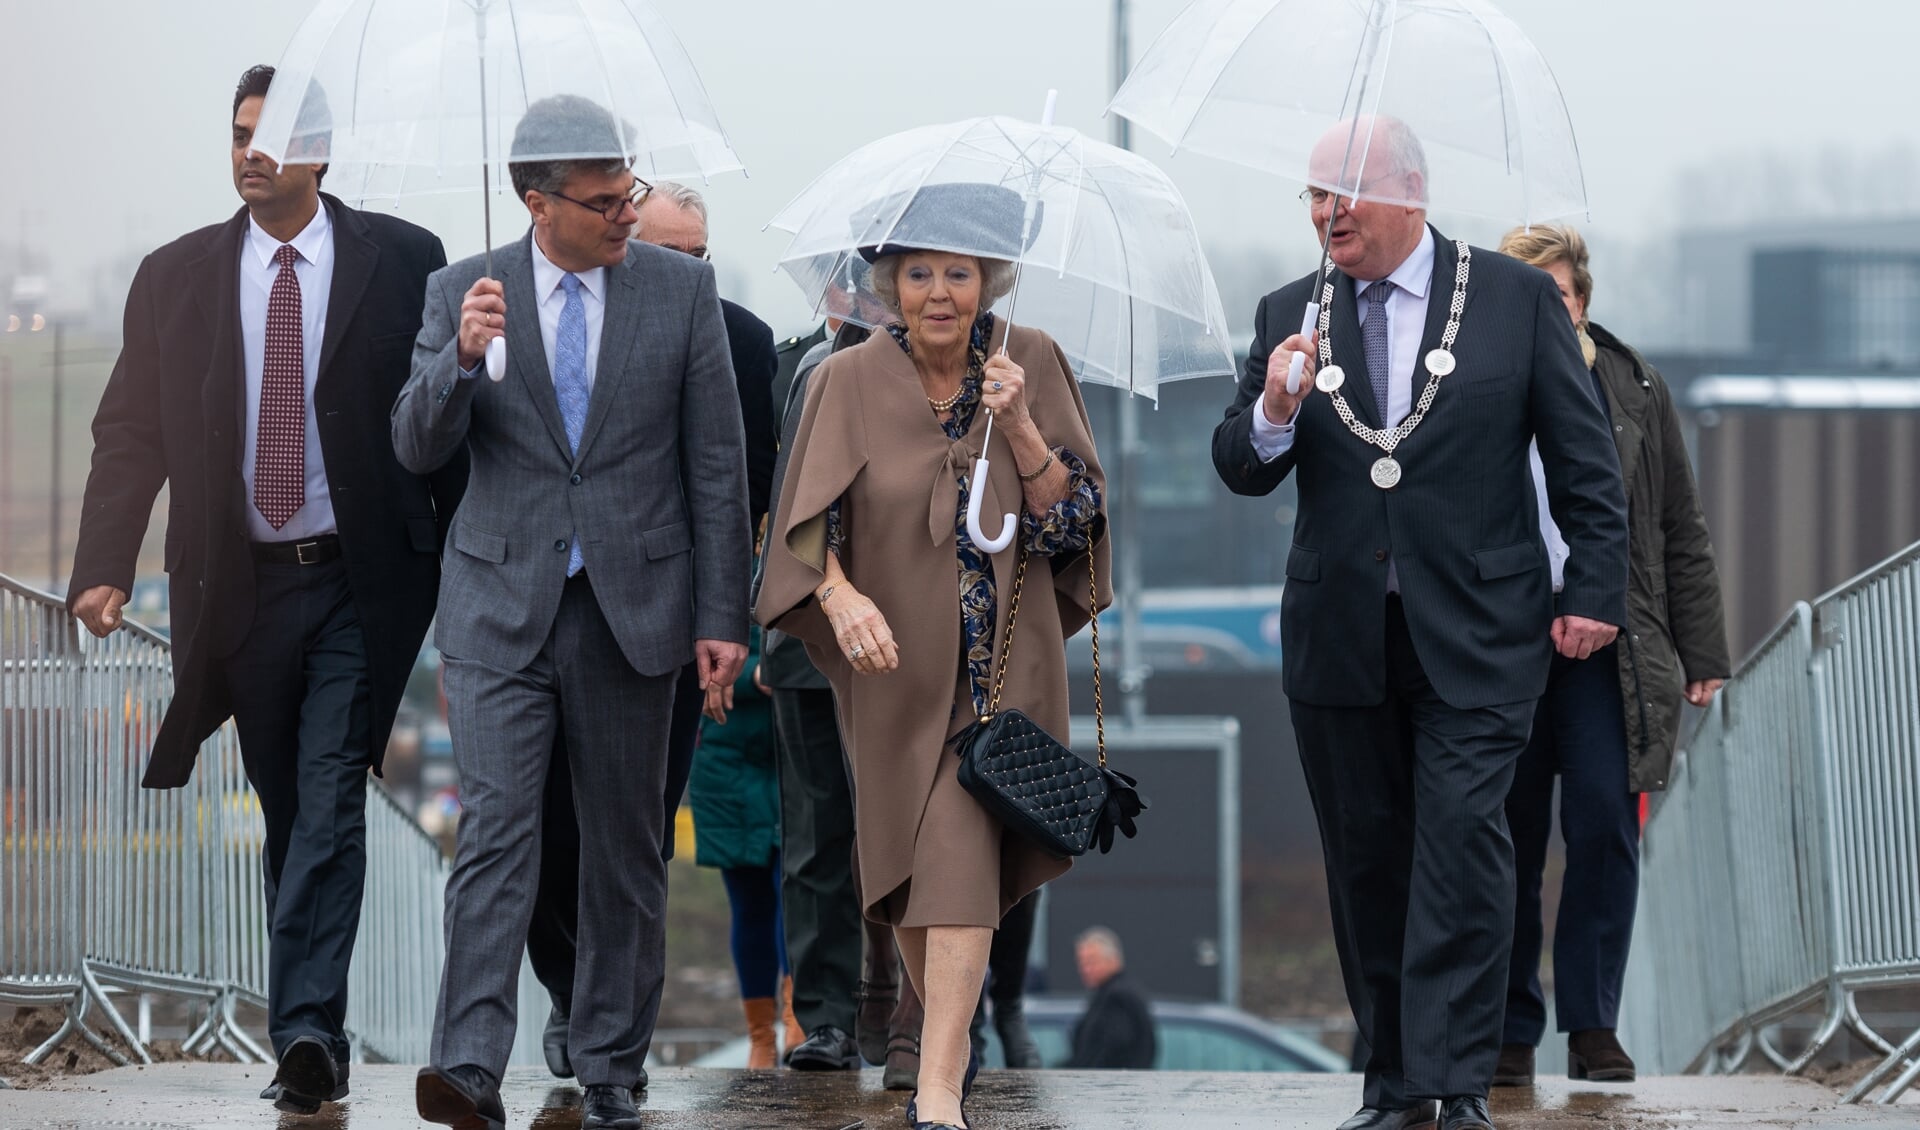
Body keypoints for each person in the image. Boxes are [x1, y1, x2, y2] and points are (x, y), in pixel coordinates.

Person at [1211, 118, 1628, 1130]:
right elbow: (1238, 464)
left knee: (1464, 846)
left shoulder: (1515, 299)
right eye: (1312, 197)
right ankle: (1394, 1082)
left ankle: (1455, 1079)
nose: (1325, 213)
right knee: (1369, 859)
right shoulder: (1288, 309)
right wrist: (1272, 403)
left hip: (1483, 630)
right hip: (1343, 633)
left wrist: (1594, 595)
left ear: (1411, 195)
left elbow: (1586, 465)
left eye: (1342, 193)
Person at [67, 64, 463, 1117]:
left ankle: (300, 1031)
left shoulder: (404, 260)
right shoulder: (177, 276)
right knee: (289, 806)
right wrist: (104, 561)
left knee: (331, 791)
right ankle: (315, 1024)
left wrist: (472, 568)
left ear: (322, 152)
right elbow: (131, 430)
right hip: (236, 589)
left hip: (358, 584)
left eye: (273, 137)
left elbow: (441, 424)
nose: (251, 153)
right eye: (239, 134)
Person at [396, 94, 750, 1130]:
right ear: (535, 202)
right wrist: (459, 359)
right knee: (499, 830)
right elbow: (414, 447)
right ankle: (466, 1063)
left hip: (636, 604)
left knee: (626, 844)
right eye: (602, 202)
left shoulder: (682, 292)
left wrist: (721, 613)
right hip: (499, 603)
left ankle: (610, 1064)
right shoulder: (462, 289)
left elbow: (717, 463)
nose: (624, 215)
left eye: (629, 192)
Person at [757, 181, 1110, 1130]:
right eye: (919, 274)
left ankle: (941, 1090)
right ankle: (938, 1051)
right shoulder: (844, 379)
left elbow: (1079, 525)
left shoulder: (1031, 360)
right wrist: (837, 593)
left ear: (991, 279)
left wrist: (1026, 428)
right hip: (888, 672)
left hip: (1005, 667)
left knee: (957, 854)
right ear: (889, 283)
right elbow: (799, 527)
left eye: (959, 273)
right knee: (910, 875)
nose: (939, 293)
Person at [523, 178, 780, 1079]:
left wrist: (724, 626)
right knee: (547, 827)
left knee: (633, 835)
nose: (683, 272)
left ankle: (608, 1027)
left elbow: (740, 494)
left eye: (699, 257)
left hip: (670, 631)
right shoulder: (566, 325)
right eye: (667, 252)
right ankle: (568, 987)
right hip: (558, 611)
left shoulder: (744, 343)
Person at [1490, 224, 1730, 1088]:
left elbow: (1679, 528)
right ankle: (1509, 1030)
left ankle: (1592, 1024)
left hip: (1610, 652)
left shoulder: (1637, 387)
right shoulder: (1479, 384)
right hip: (1504, 648)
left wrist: (1702, 649)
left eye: (1554, 295)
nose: (1543, 313)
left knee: (1602, 827)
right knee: (1502, 843)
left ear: (1581, 302)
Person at [757, 319, 892, 1076]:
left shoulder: (976, 371)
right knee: (814, 836)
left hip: (918, 640)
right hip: (812, 639)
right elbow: (788, 512)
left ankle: (905, 1008)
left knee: (915, 828)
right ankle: (828, 1018)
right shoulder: (816, 368)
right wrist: (777, 618)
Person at [687, 620, 802, 1068]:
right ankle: (759, 1037)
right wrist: (757, 673)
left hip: (794, 740)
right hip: (725, 752)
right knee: (749, 905)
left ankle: (797, 1019)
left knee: (794, 889)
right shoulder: (716, 557)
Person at [1063, 927, 1156, 1070]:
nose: (1085, 969)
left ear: (1113, 960)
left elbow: (1109, 1053)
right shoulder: (1111, 993)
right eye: (1082, 963)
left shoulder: (1117, 998)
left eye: (1092, 961)